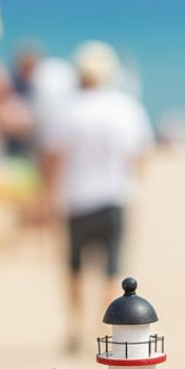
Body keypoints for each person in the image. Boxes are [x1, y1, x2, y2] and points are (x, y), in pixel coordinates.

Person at [44, 40, 153, 350]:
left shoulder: (67, 108)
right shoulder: (125, 107)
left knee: (74, 269)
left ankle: (76, 328)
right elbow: (140, 155)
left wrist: (48, 195)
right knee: (112, 270)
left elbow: (53, 157)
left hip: (76, 199)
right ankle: (103, 330)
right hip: (114, 197)